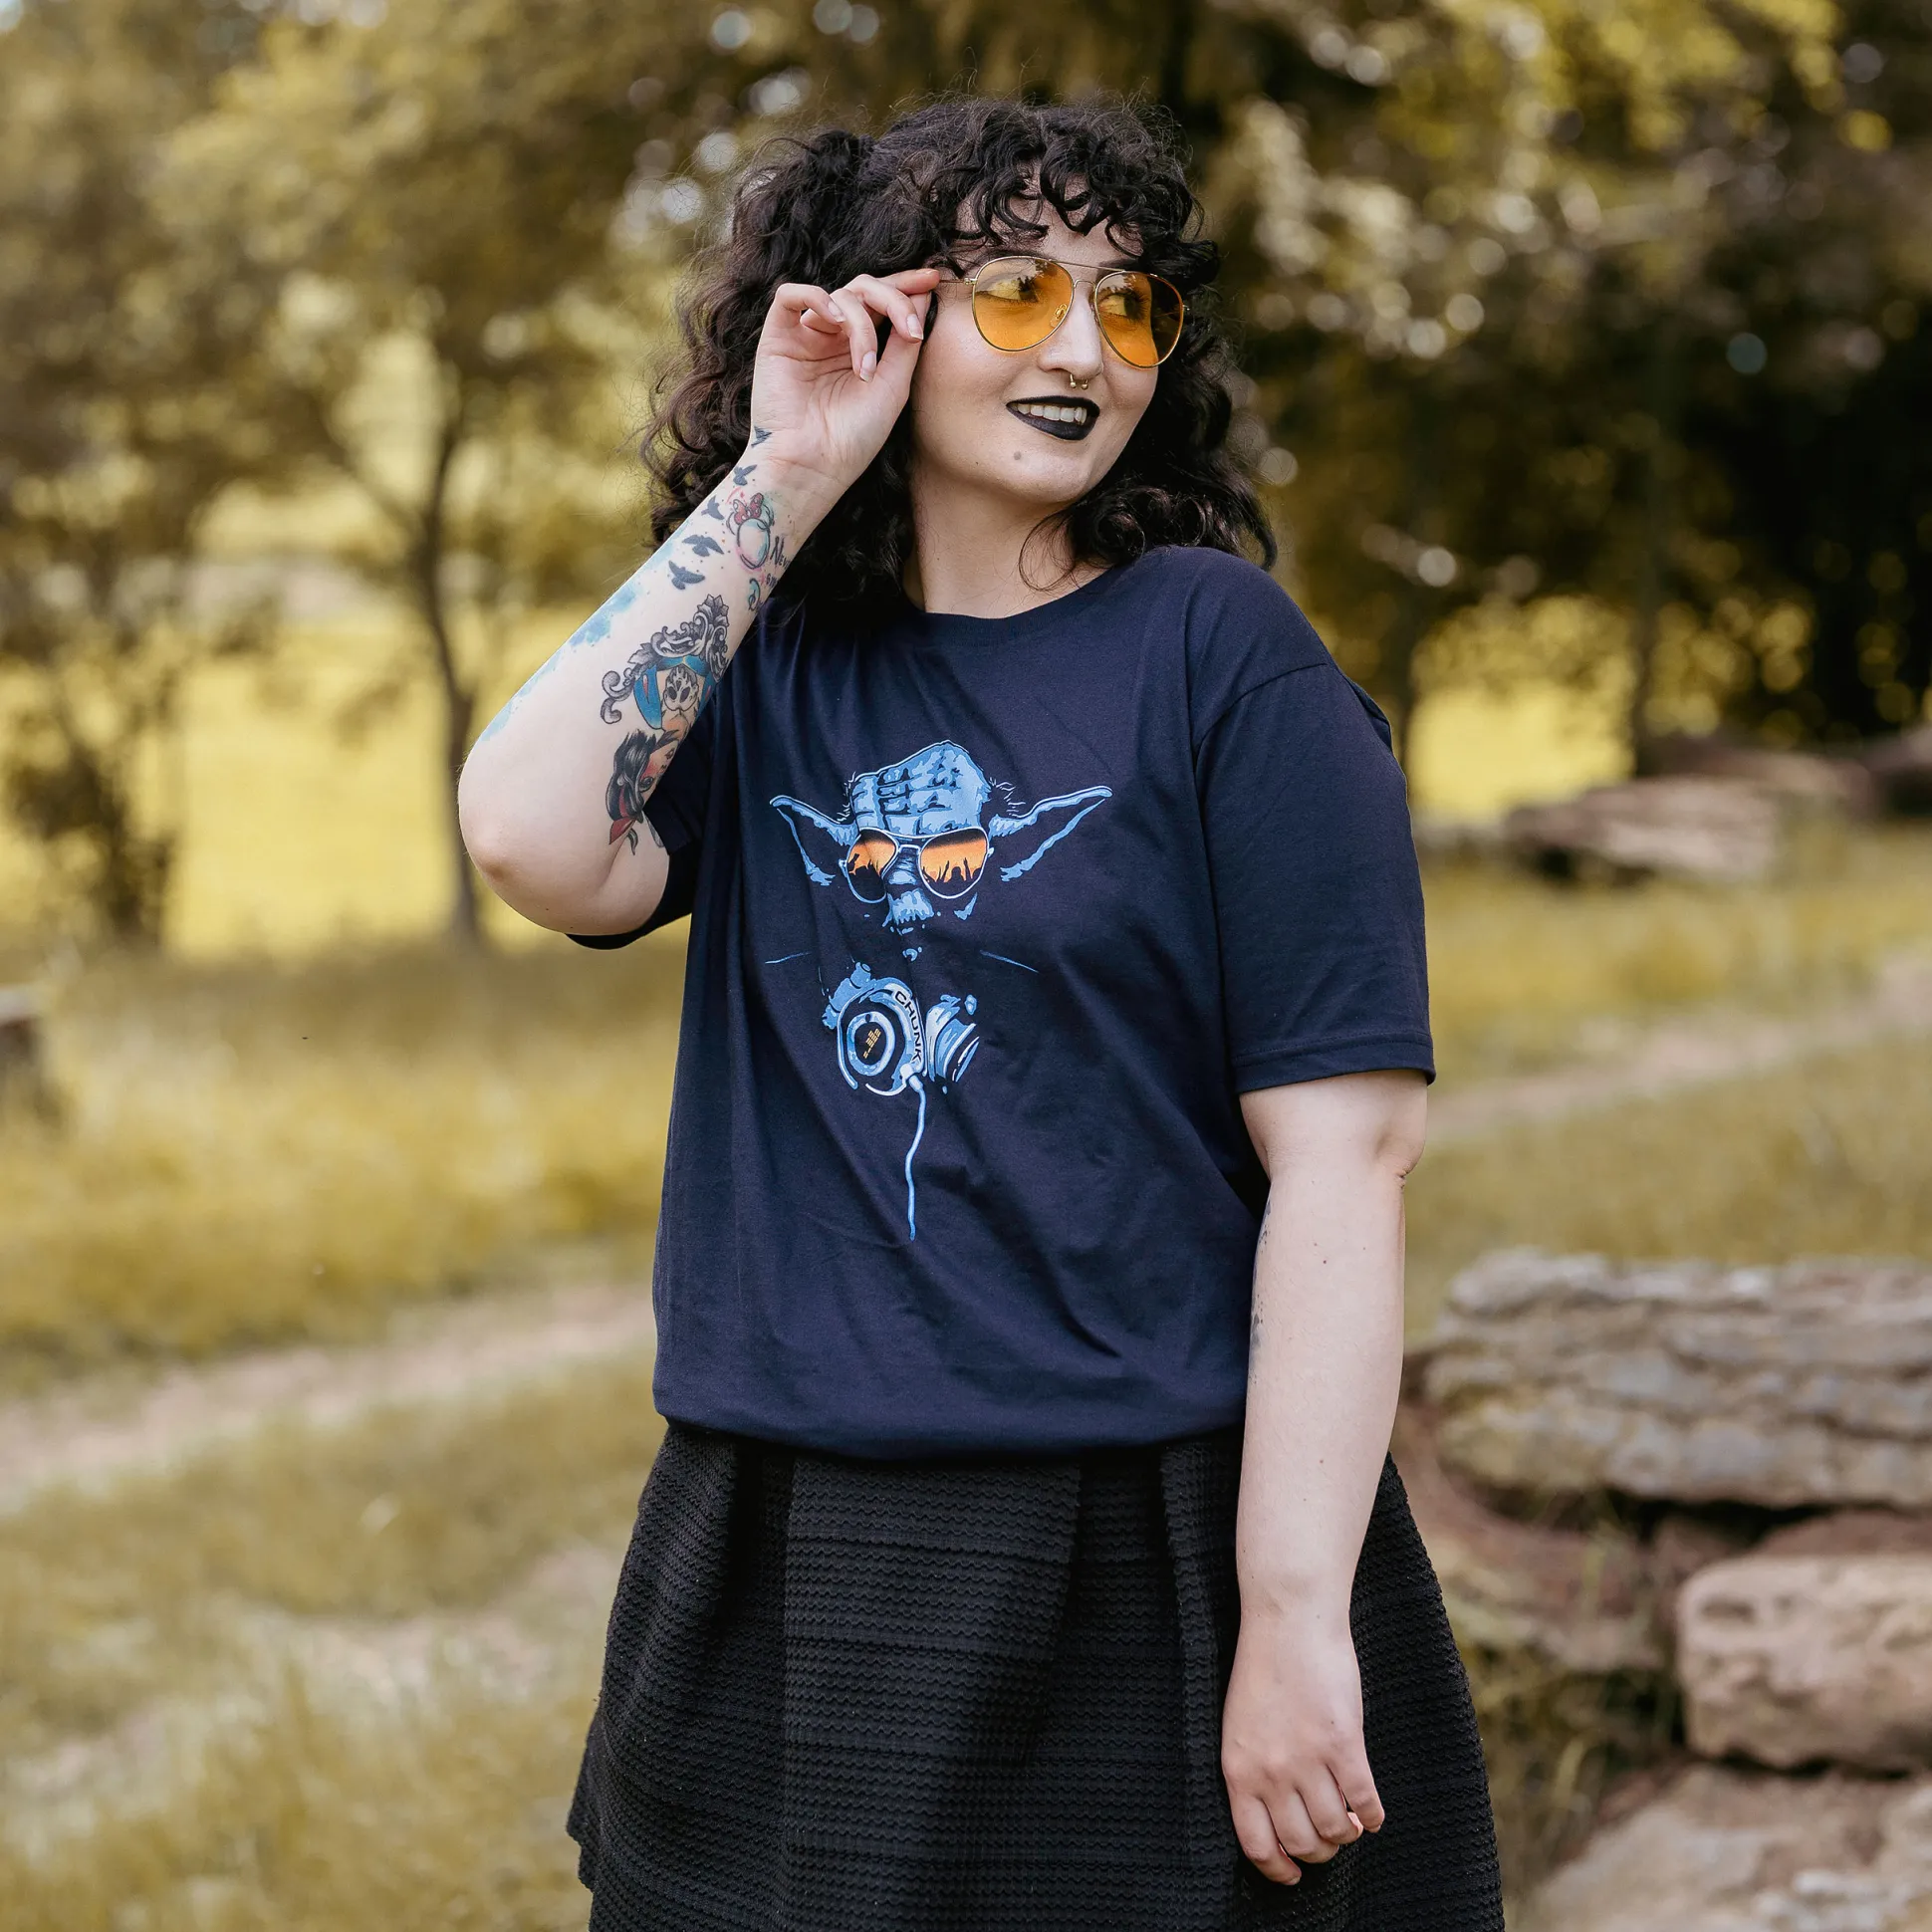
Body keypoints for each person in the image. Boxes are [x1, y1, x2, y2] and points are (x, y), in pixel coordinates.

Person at [458, 94, 1503, 1932]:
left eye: (1130, 302)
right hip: (783, 1539)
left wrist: (1289, 1618)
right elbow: (531, 839)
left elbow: (1348, 1164)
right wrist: (786, 474)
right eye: (1017, 289)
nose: (1086, 349)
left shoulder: (1219, 655)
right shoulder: (773, 665)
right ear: (887, 316)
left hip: (1144, 1548)